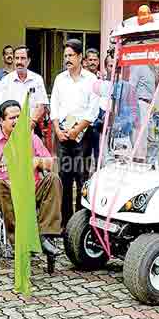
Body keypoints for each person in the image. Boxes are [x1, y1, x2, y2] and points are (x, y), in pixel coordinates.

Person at [0, 100, 61, 255]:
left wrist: (38, 161)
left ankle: (45, 236)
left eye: (19, 117)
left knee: (53, 178)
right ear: (1, 120)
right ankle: (17, 240)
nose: (17, 121)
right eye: (12, 118)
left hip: (31, 189)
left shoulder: (31, 138)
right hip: (7, 191)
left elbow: (52, 164)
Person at [50, 39, 99, 226]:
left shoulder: (91, 80)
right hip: (62, 134)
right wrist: (57, 130)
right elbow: (54, 106)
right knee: (63, 178)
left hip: (82, 136)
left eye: (71, 55)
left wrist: (77, 129)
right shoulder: (60, 79)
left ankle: (80, 223)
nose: (67, 60)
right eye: (65, 56)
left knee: (81, 178)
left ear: (80, 57)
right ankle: (65, 223)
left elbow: (93, 110)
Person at [0, 46, 48, 129]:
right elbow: (2, 107)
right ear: (13, 60)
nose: (19, 61)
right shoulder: (5, 81)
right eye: (17, 58)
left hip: (32, 127)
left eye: (23, 58)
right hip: (12, 129)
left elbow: (41, 105)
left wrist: (32, 122)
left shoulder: (37, 79)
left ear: (28, 61)